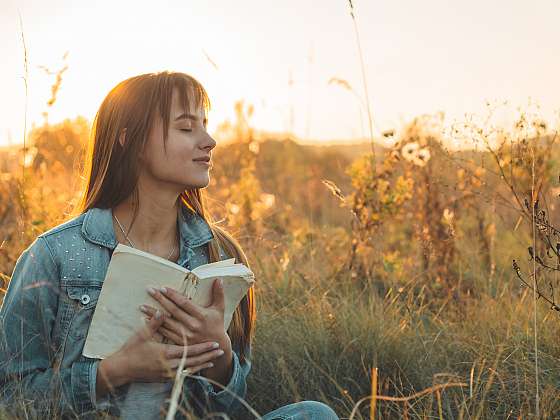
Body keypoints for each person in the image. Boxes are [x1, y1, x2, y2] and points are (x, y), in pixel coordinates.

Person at [0, 71, 339, 420]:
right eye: (186, 127)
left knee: (314, 414)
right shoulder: (56, 255)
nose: (210, 141)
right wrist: (114, 372)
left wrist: (220, 355)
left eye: (205, 125)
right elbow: (10, 397)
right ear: (129, 140)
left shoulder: (220, 255)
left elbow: (235, 407)